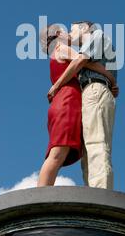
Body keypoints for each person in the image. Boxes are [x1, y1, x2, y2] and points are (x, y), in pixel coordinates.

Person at [37, 24, 117, 187]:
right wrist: (110, 77)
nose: (70, 34)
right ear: (59, 34)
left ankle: (41, 194)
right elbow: (84, 61)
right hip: (66, 101)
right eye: (67, 31)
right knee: (57, 153)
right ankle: (39, 196)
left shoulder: (55, 53)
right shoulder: (62, 48)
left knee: (58, 152)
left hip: (64, 101)